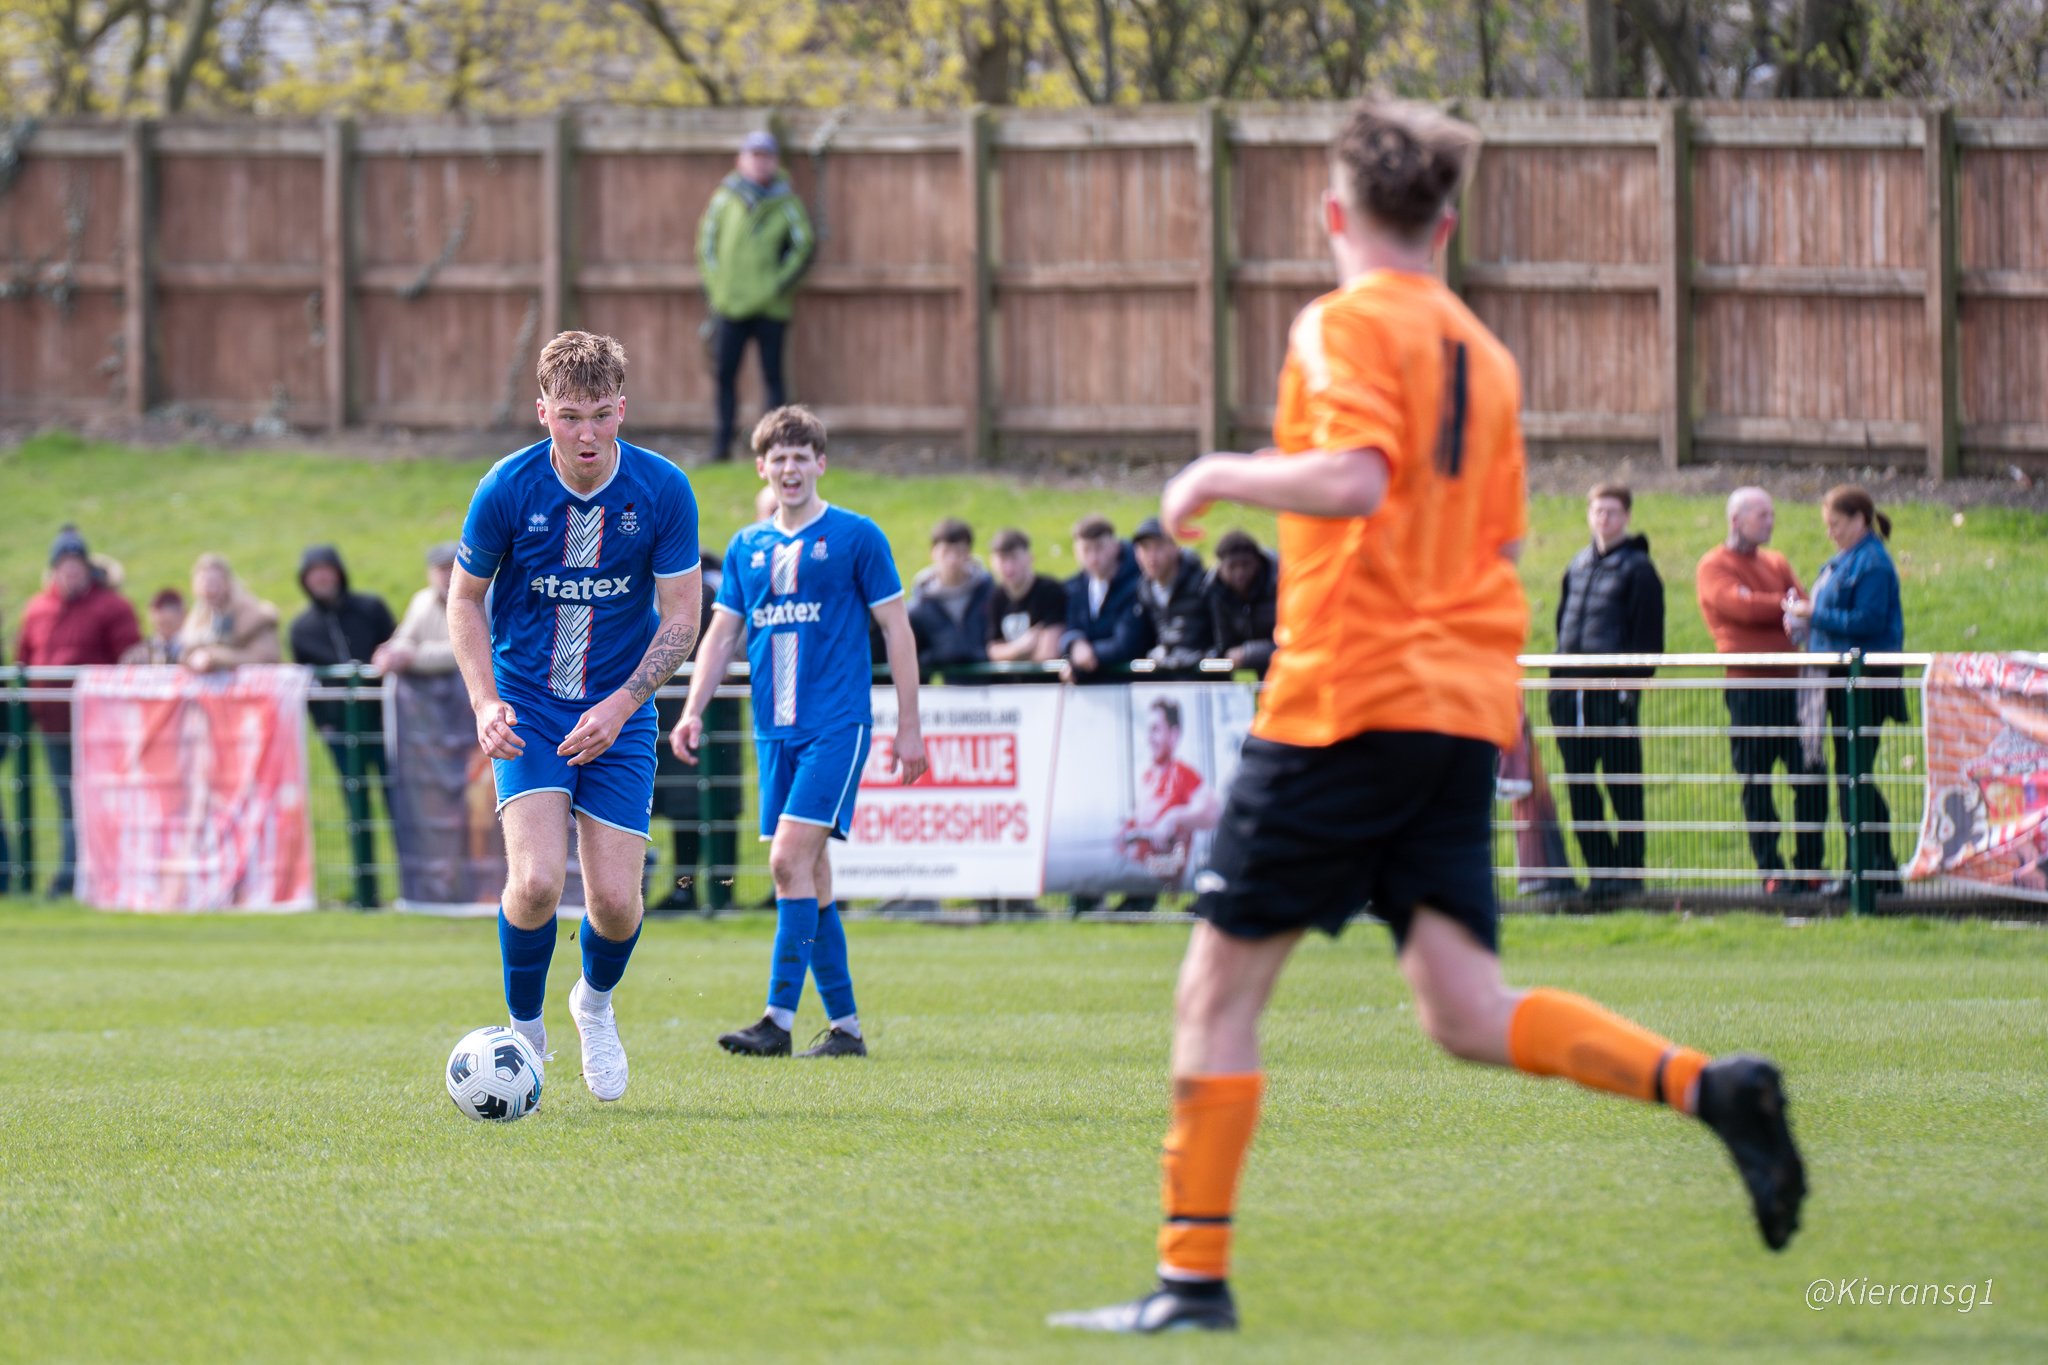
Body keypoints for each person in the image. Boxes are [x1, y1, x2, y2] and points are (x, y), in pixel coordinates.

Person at [1050, 98, 1804, 1337]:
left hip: (1345, 699)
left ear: (1330, 217)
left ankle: (1188, 1283)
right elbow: (1499, 536)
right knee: (1462, 1007)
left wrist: (1215, 474)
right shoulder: (1485, 356)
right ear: (1445, 226)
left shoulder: (1340, 323)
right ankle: (1710, 1088)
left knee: (1216, 991)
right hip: (1457, 707)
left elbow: (1356, 477)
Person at [449, 330, 703, 1103]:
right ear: (542, 413)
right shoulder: (506, 488)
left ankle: (592, 1003)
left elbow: (683, 616)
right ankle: (524, 1030)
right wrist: (486, 701)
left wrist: (625, 703)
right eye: (569, 416)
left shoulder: (662, 490)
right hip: (528, 703)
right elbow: (463, 601)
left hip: (619, 712)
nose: (586, 434)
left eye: (600, 415)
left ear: (622, 408)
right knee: (530, 884)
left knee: (618, 904)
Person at [671, 404, 928, 1059]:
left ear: (821, 463)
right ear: (762, 467)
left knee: (786, 861)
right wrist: (693, 707)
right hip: (774, 729)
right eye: (777, 458)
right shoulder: (747, 548)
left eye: (800, 456)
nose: (789, 468)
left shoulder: (855, 536)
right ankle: (847, 1029)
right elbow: (722, 631)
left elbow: (897, 628)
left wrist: (909, 727)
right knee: (811, 874)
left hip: (835, 724)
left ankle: (777, 1021)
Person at [1696, 488, 1824, 895]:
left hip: (1793, 686)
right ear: (1736, 520)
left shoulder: (1776, 561)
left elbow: (1804, 603)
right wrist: (1785, 605)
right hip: (1749, 688)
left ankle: (1809, 866)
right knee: (1757, 779)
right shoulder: (1714, 565)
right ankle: (1771, 869)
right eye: (1761, 515)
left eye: (1771, 514)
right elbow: (1740, 607)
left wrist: (1784, 604)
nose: (1770, 521)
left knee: (1809, 775)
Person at [1784, 484, 1907, 891]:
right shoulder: (1847, 560)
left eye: (1835, 524)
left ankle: (1866, 874)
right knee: (1853, 777)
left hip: (1865, 685)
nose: (1830, 533)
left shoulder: (1871, 564)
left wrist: (1815, 614)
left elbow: (1867, 621)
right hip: (1841, 683)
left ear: (1858, 520)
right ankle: (1876, 871)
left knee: (1854, 778)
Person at [1549, 483, 1664, 900]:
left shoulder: (1639, 569)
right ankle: (1600, 874)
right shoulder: (1577, 565)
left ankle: (1629, 876)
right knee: (1579, 784)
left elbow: (1649, 640)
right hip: (1570, 695)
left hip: (1611, 693)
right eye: (1598, 511)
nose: (1605, 519)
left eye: (1613, 512)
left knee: (1622, 784)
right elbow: (1564, 625)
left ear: (1627, 516)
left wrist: (1627, 690)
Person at [14, 525, 142, 897]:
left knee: (96, 799)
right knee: (66, 799)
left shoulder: (111, 607)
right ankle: (71, 876)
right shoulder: (39, 607)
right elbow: (24, 657)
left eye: (77, 565)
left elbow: (128, 658)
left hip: (97, 722)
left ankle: (85, 878)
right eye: (64, 566)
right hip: (52, 723)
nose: (71, 573)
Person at [699, 130, 817, 463]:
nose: (760, 162)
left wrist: (777, 284)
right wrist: (718, 288)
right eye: (754, 155)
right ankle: (721, 444)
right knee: (724, 376)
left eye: (766, 156)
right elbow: (706, 246)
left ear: (775, 162)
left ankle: (778, 447)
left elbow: (803, 245)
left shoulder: (787, 202)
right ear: (741, 160)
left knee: (773, 378)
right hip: (729, 306)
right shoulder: (724, 199)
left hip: (771, 307)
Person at [291, 543, 398, 906]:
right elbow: (306, 683)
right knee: (355, 806)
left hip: (384, 724)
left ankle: (416, 887)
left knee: (398, 799)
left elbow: (394, 648)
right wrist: (324, 725)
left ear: (338, 572)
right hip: (340, 732)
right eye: (313, 572)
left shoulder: (371, 609)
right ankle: (365, 891)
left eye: (326, 570)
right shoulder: (302, 628)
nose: (321, 578)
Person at [652, 545, 741, 915]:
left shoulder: (713, 595)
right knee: (683, 805)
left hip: (703, 718)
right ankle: (685, 890)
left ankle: (710, 892)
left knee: (702, 804)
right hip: (674, 715)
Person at [1116, 697, 1222, 890]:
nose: (1149, 737)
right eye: (1148, 729)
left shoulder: (1183, 774)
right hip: (1138, 873)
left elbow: (1212, 812)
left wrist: (1174, 817)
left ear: (1173, 735)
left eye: (1156, 729)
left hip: (1163, 873)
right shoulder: (1147, 777)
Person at [1060, 515, 1151, 681]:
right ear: (1076, 552)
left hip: (1132, 684)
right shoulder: (1073, 588)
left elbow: (1127, 644)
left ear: (1115, 546)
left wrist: (1088, 654)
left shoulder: (1138, 584)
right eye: (1086, 550)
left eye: (1099, 548)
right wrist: (1074, 643)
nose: (1094, 558)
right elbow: (1069, 627)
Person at [906, 517, 994, 676]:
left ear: (969, 553)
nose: (952, 560)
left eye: (959, 552)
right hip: (946, 691)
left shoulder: (990, 594)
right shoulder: (918, 608)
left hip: (995, 687)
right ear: (933, 553)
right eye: (946, 552)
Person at [1131, 517, 1214, 674]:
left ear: (1175, 547)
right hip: (1166, 678)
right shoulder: (1143, 589)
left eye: (1158, 547)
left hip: (1204, 680)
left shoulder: (1204, 584)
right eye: (1145, 548)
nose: (1152, 556)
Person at [176, 554, 281, 673]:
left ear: (227, 583)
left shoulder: (254, 618)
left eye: (214, 582)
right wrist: (193, 660)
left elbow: (265, 659)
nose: (209, 589)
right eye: (203, 583)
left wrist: (216, 657)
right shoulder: (198, 621)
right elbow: (185, 654)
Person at [373, 542, 460, 677]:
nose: (448, 575)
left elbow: (468, 651)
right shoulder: (422, 600)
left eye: (453, 567)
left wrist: (414, 657)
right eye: (442, 569)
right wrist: (391, 652)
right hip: (425, 684)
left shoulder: (481, 600)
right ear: (430, 574)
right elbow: (405, 636)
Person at [985, 528, 1067, 665]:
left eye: (1014, 558)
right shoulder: (996, 598)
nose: (1008, 567)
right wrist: (1022, 646)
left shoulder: (1050, 591)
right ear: (992, 563)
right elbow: (992, 651)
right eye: (1002, 560)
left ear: (1029, 558)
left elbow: (1049, 652)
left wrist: (1007, 653)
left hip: (1047, 684)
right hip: (1010, 685)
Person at [1203, 529, 1277, 678]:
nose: (1240, 573)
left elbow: (1291, 642)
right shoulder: (1215, 590)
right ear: (1221, 567)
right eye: (1232, 567)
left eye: (1246, 565)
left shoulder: (1277, 582)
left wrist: (1249, 653)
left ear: (1257, 562)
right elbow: (1224, 644)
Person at [121, 587, 187, 665]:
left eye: (172, 608)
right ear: (150, 614)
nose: (165, 614)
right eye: (159, 608)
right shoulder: (135, 657)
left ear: (184, 613)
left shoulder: (194, 653)